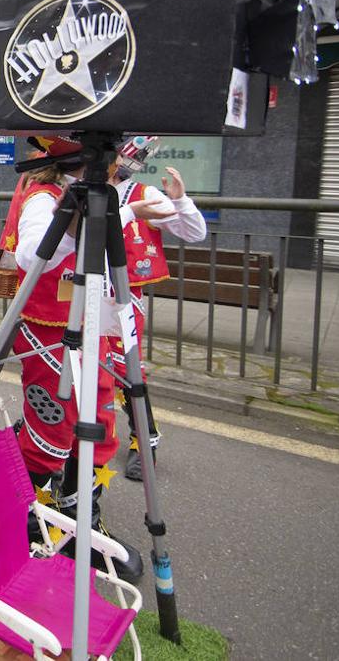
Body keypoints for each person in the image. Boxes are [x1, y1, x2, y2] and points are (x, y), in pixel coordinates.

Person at [0, 136, 152, 582]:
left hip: (89, 327)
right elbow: (30, 254)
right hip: (49, 333)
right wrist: (69, 228)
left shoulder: (104, 193)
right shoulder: (45, 197)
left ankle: (79, 520)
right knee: (52, 430)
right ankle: (20, 520)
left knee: (99, 425)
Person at [108, 138, 206, 480]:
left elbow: (193, 232)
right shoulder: (75, 188)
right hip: (75, 289)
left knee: (127, 368)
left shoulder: (142, 194)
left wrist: (179, 199)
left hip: (122, 295)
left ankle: (144, 439)